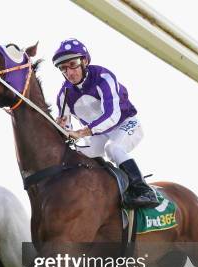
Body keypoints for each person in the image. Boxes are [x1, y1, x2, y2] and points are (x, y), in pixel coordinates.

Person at [52, 39, 158, 208]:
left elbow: (112, 115)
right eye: (63, 68)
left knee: (113, 148)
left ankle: (143, 191)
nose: (69, 73)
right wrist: (61, 127)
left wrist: (81, 133)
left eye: (73, 64)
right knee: (74, 154)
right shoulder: (63, 95)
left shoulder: (103, 77)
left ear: (85, 61)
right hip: (98, 135)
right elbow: (66, 129)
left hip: (126, 124)